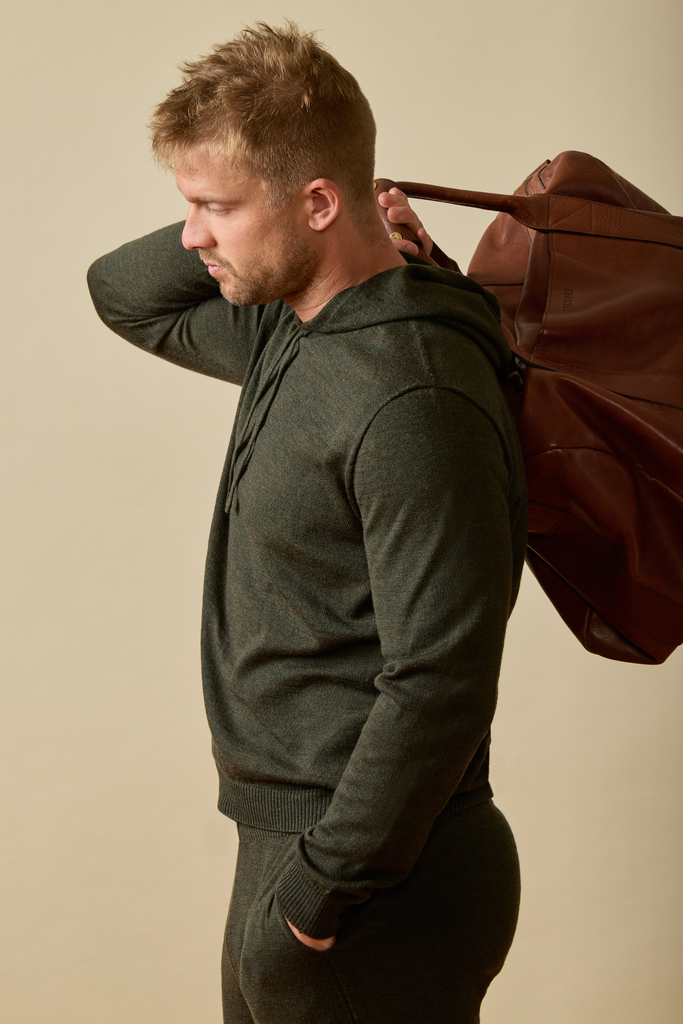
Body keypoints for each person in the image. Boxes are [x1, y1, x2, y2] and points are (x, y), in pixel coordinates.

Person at [87, 21, 527, 1024]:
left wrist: (320, 893)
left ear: (316, 203)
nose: (194, 234)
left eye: (213, 206)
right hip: (288, 847)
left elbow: (439, 677)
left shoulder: (413, 394)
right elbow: (121, 293)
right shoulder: (289, 321)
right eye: (186, 205)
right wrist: (281, 185)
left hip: (377, 882)